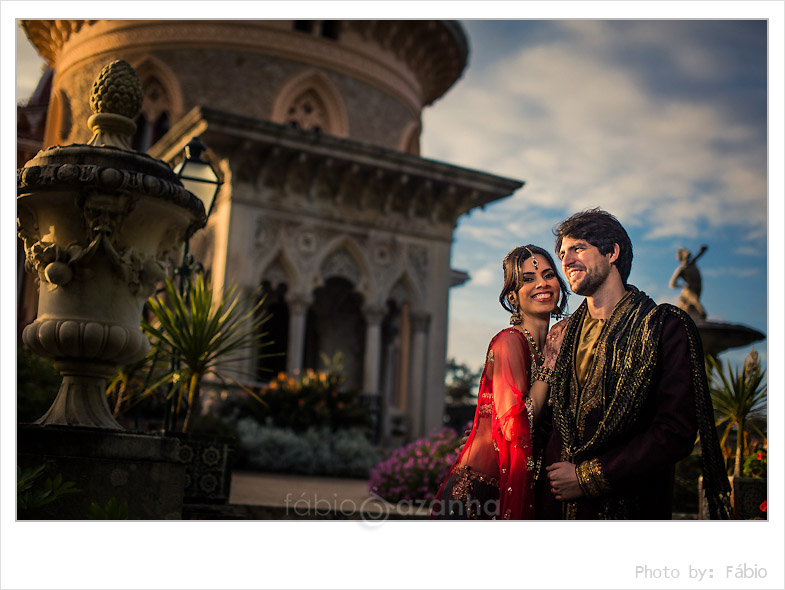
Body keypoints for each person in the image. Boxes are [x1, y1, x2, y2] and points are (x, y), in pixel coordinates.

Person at [535, 208, 732, 519]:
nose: (566, 260)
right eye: (562, 253)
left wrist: (587, 478)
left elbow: (674, 432)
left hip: (630, 509)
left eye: (578, 248)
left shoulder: (662, 327)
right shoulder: (561, 334)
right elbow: (549, 424)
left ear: (612, 252)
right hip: (555, 509)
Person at [432, 244, 569, 519]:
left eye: (548, 274)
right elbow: (516, 427)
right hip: (479, 495)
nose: (542, 283)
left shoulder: (554, 345)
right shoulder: (510, 342)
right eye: (528, 279)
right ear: (512, 296)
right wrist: (550, 364)